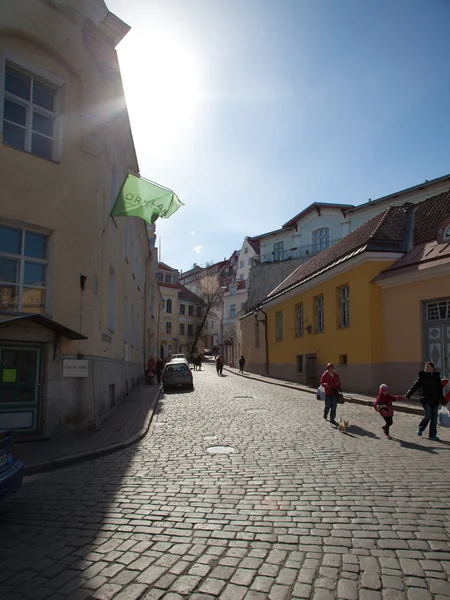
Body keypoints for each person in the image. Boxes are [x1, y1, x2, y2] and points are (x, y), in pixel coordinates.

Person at [406, 361, 445, 441]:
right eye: (425, 366)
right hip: (426, 399)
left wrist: (443, 401)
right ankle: (420, 428)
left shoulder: (437, 377)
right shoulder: (423, 376)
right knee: (428, 415)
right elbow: (415, 386)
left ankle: (432, 435)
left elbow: (440, 390)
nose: (426, 368)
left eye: (428, 366)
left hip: (435, 400)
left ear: (432, 368)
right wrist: (408, 395)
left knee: (434, 418)